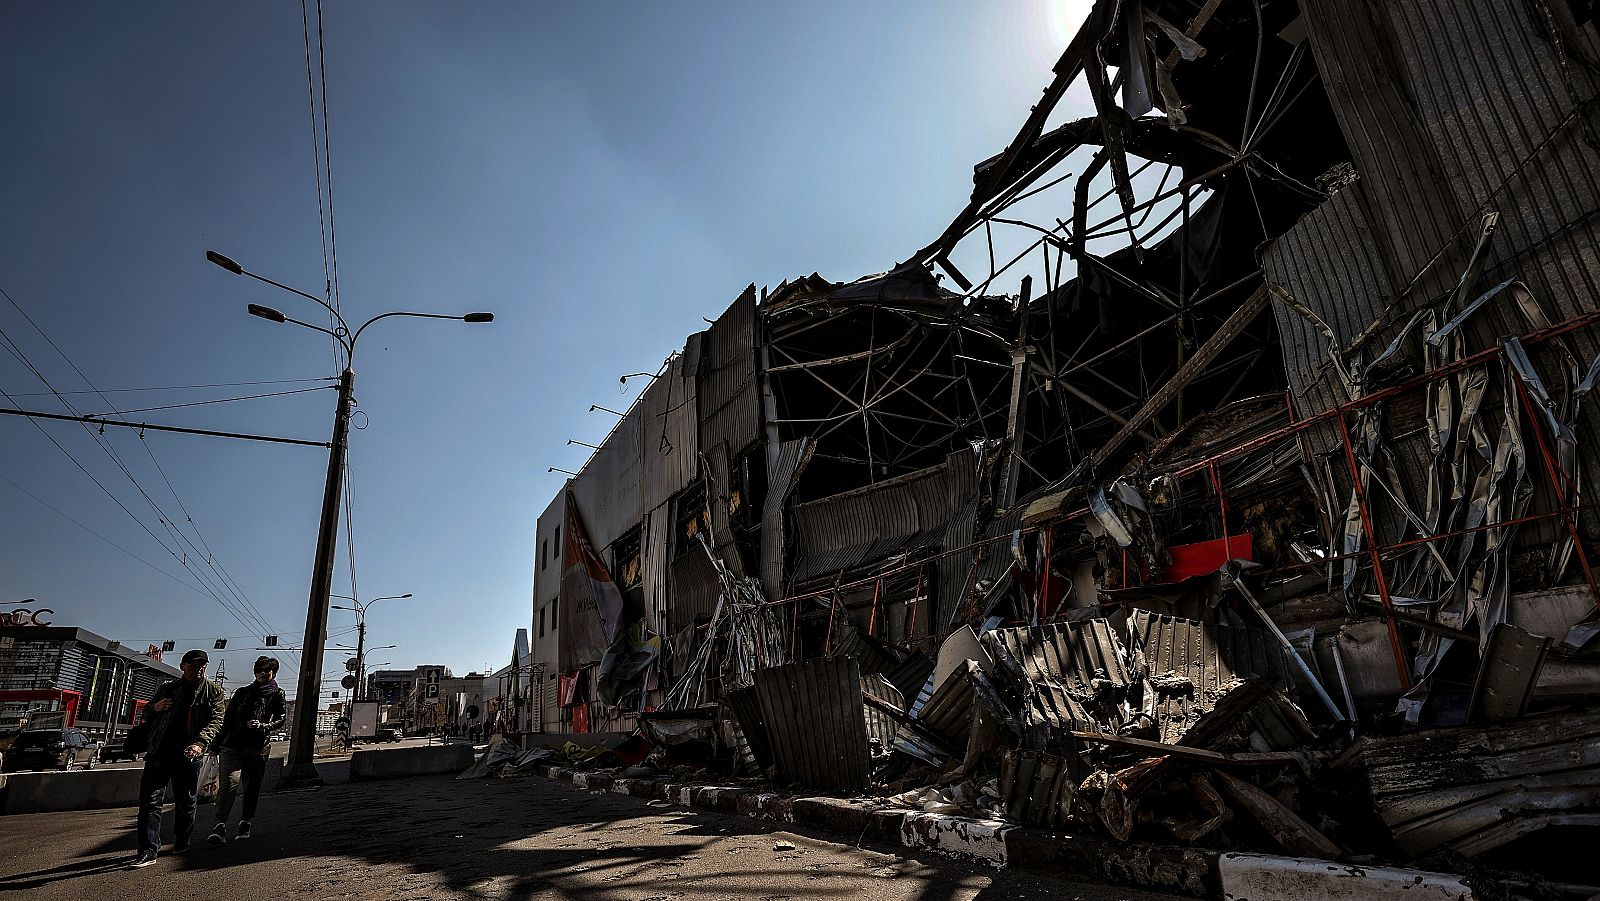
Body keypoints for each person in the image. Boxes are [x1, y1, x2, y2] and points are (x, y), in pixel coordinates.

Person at [129, 649, 226, 868]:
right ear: (183, 666)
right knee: (150, 802)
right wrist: (155, 707)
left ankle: (182, 839)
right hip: (159, 752)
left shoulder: (213, 691)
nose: (198, 669)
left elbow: (216, 720)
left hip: (189, 755)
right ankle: (148, 850)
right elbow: (146, 713)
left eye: (202, 665)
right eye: (193, 665)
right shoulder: (168, 688)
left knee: (186, 801)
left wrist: (200, 743)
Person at [206, 656, 286, 846]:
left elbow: (281, 718)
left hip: (257, 747)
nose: (262, 673)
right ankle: (220, 825)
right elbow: (228, 720)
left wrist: (263, 725)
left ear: (273, 673)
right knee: (229, 783)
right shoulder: (242, 693)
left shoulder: (277, 694)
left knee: (252, 786)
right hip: (232, 744)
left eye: (266, 670)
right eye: (259, 670)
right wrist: (216, 744)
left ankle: (245, 822)